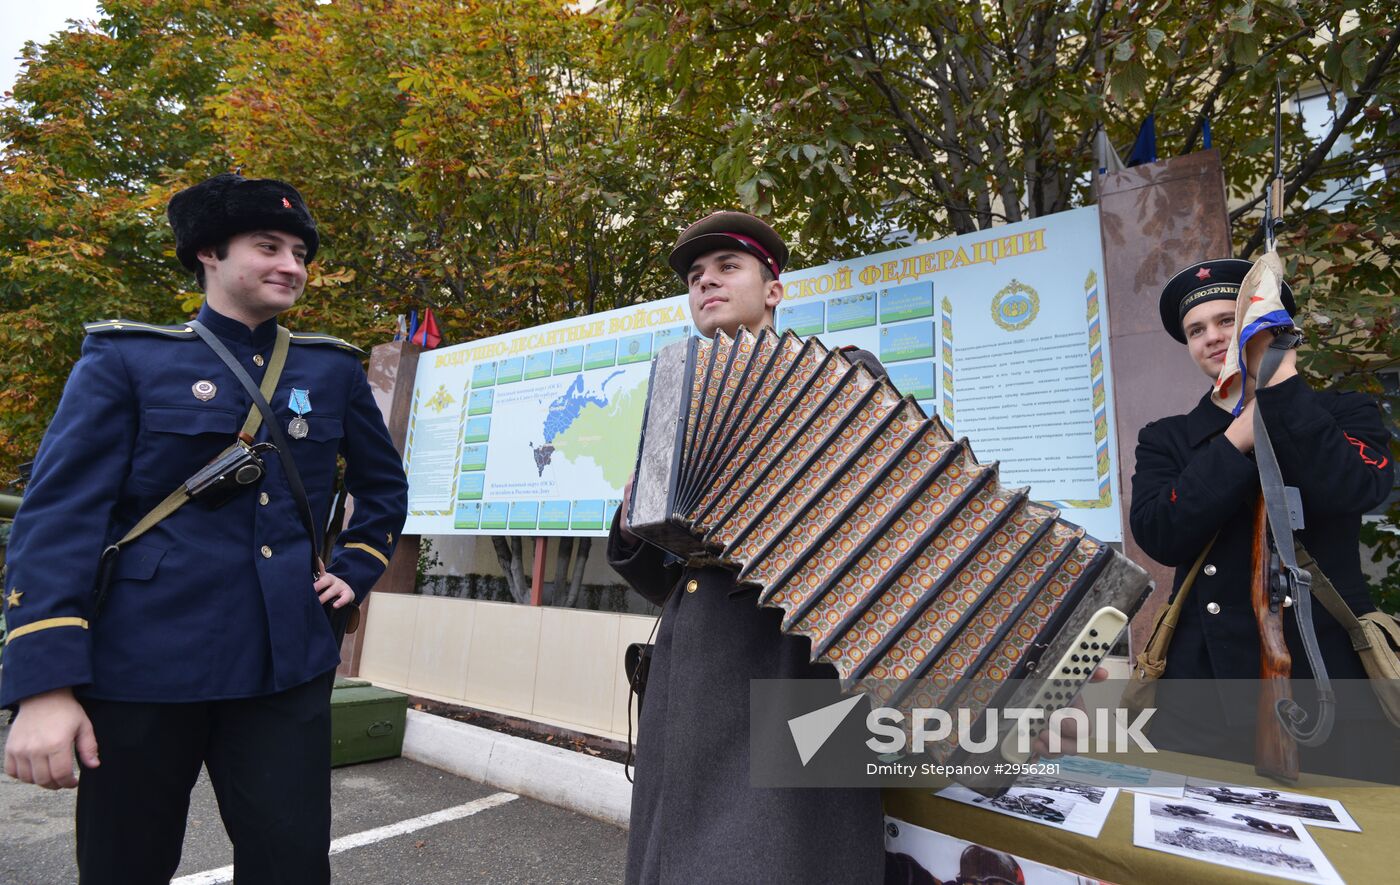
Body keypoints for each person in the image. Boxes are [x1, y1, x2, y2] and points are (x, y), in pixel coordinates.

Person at [1, 172, 409, 884]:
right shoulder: (127, 358)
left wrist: (356, 566)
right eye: (269, 246)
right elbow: (58, 518)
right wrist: (45, 686)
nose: (292, 265)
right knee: (124, 864)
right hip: (143, 663)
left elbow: (383, 485)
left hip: (284, 661)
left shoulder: (331, 368)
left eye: (301, 253)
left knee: (290, 865)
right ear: (210, 255)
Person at [608, 211, 887, 884]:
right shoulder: (673, 402)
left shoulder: (842, 374)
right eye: (696, 278)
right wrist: (629, 517)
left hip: (801, 657)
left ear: (774, 289)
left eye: (727, 268)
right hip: (696, 657)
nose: (706, 283)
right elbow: (658, 574)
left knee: (801, 856)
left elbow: (889, 530)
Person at [1129, 257, 1393, 768]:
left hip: (1331, 673)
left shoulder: (1344, 411)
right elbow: (1160, 533)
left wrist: (1281, 389)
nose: (1211, 337)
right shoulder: (1167, 437)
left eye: (1228, 320)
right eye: (1196, 330)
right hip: (1203, 686)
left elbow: (1357, 487)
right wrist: (1239, 436)